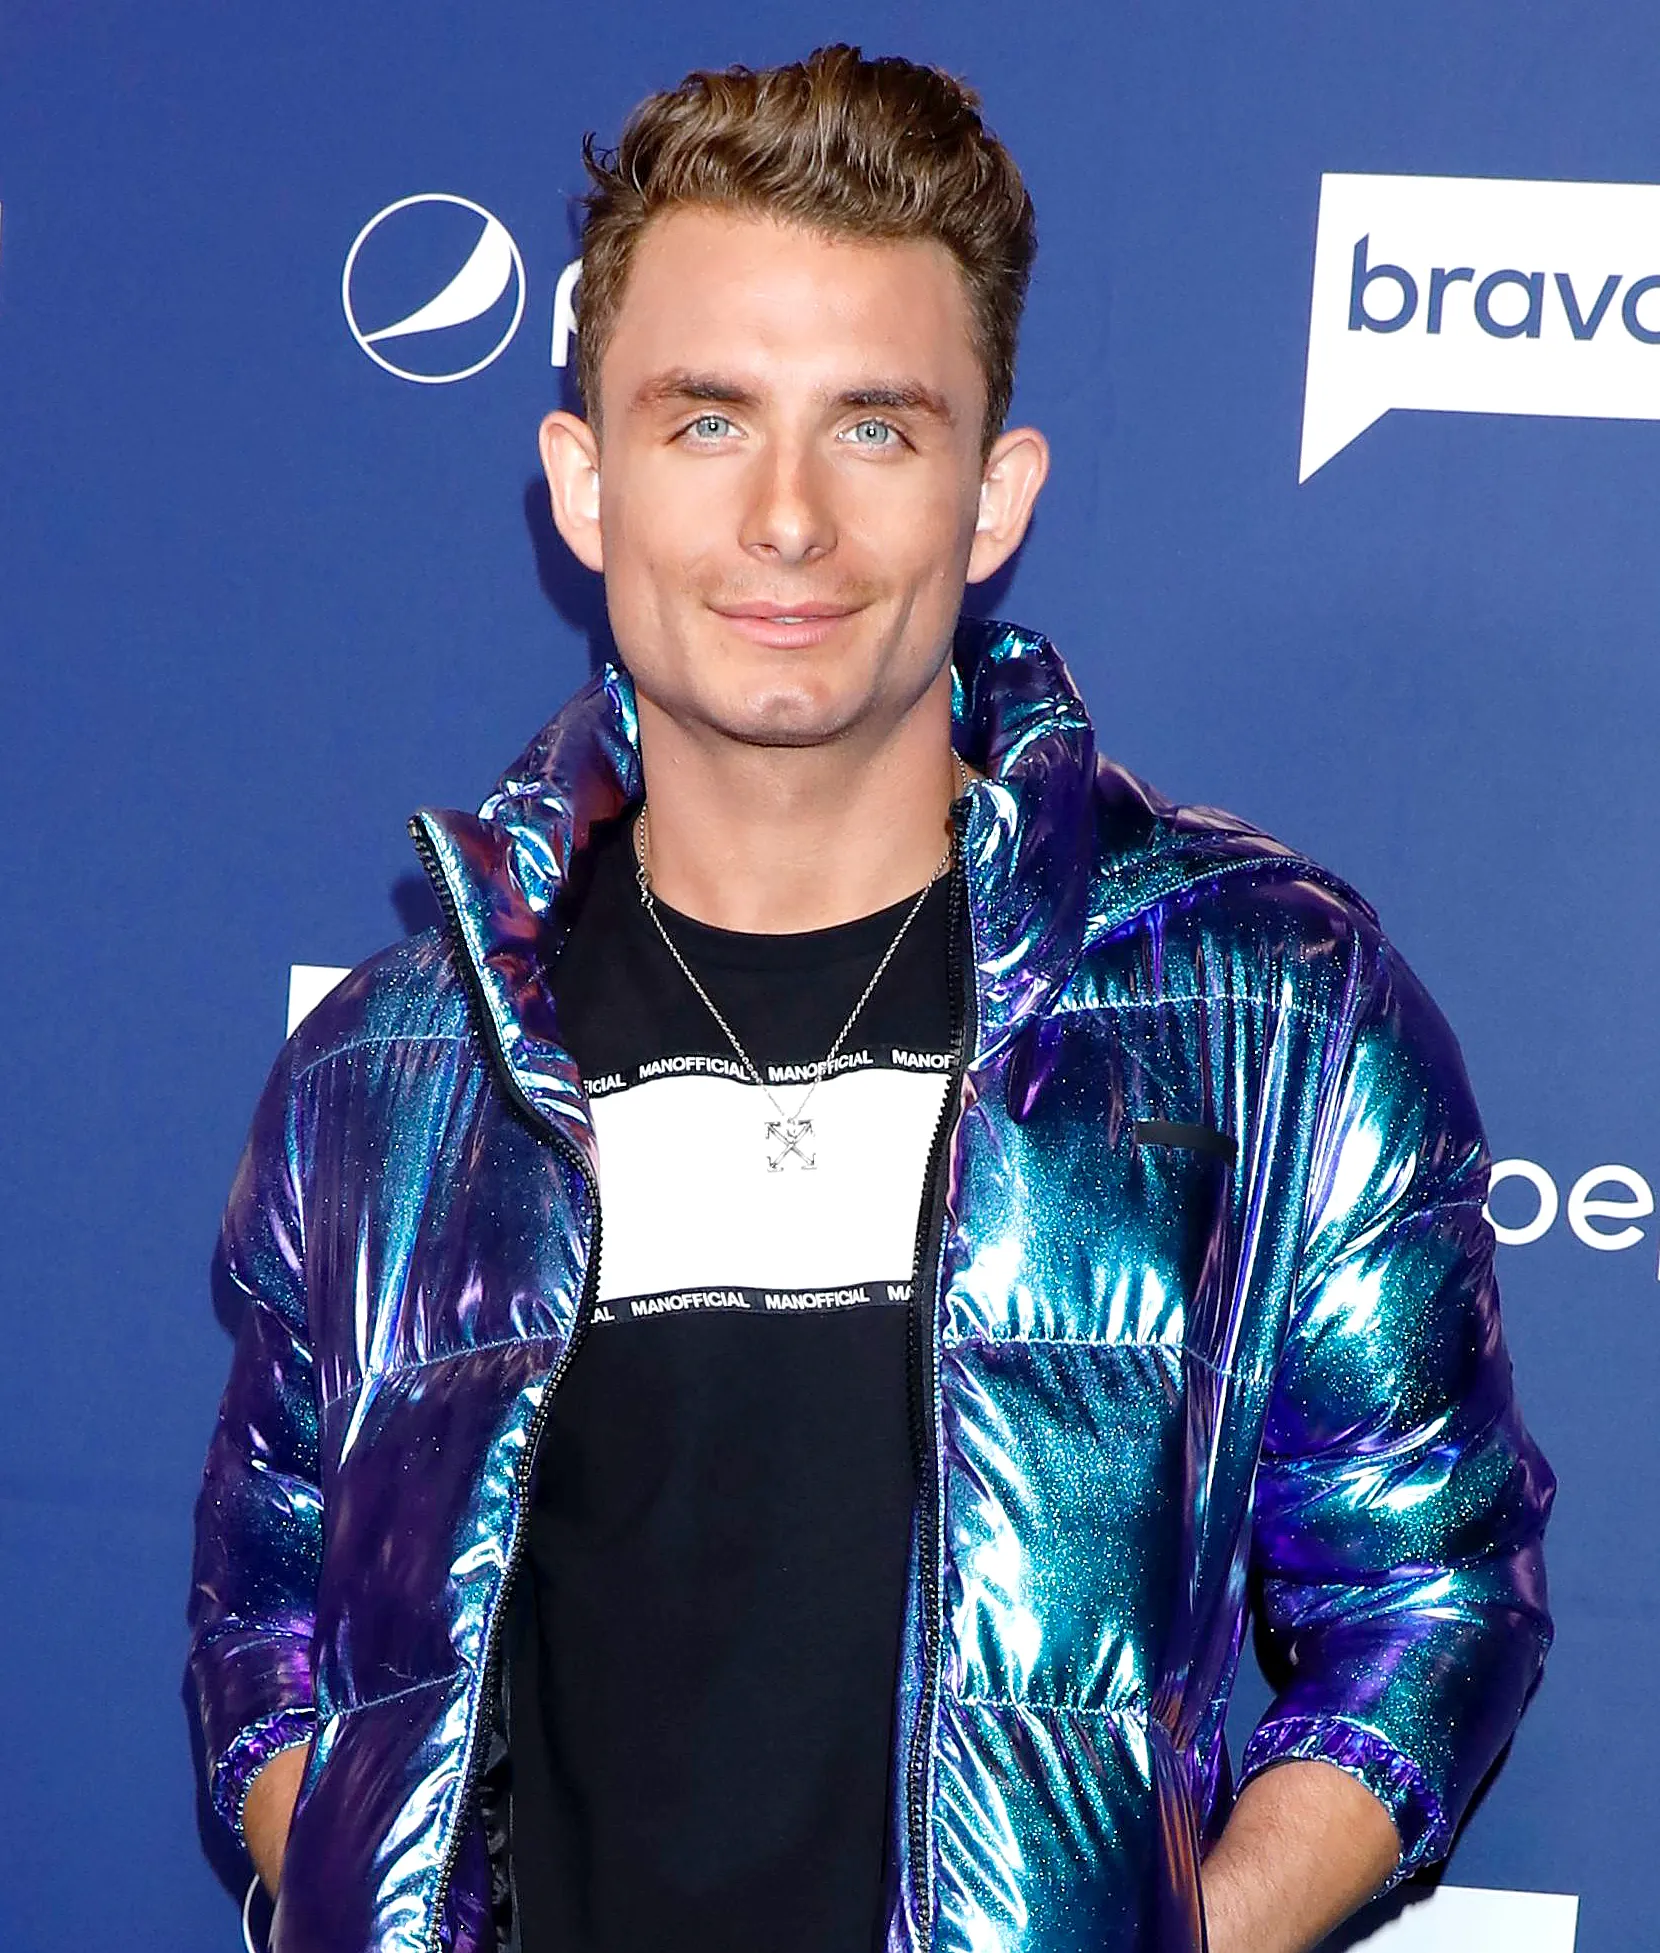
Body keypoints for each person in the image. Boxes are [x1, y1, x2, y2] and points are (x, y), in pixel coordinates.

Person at [187, 44, 1553, 1953]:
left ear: (995, 497)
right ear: (584, 483)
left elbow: (1431, 1606)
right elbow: (269, 1639)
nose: (789, 520)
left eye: (877, 429)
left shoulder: (1270, 1016)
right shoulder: (388, 1073)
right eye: (707, 420)